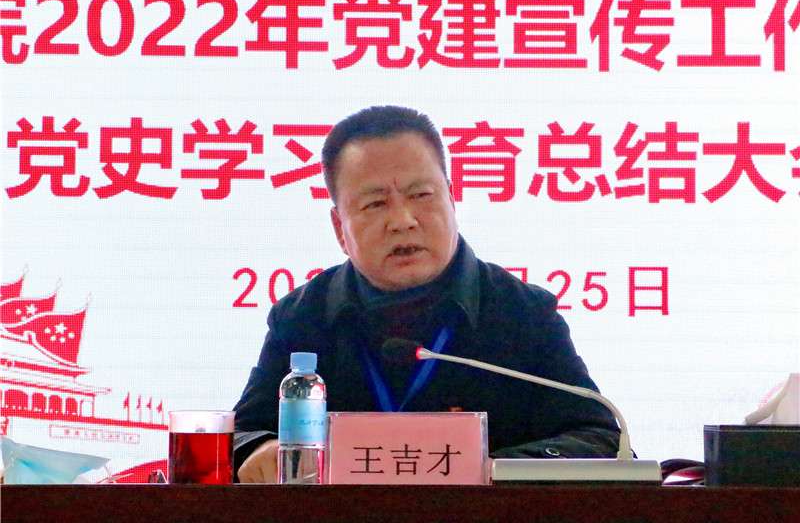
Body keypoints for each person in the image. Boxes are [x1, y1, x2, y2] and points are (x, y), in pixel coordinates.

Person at [233, 105, 620, 483]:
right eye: (376, 203)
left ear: (451, 197)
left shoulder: (523, 313)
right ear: (340, 227)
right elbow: (241, 434)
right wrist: (258, 449)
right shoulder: (304, 316)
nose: (403, 221)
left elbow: (602, 440)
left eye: (421, 195)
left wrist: (492, 470)